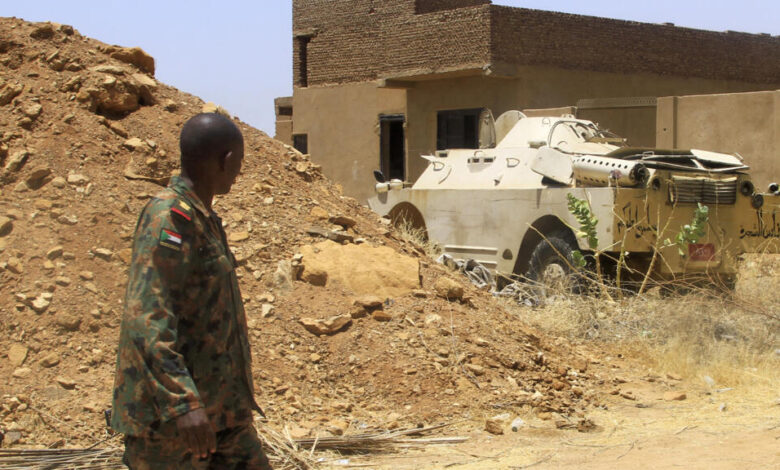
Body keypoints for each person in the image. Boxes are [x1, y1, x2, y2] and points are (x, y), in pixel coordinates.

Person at [111, 113, 272, 469]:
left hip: (223, 414)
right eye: (239, 161)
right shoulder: (167, 217)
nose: (239, 171)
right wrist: (182, 403)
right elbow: (147, 316)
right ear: (226, 159)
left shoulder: (202, 217)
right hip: (172, 424)